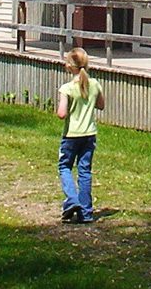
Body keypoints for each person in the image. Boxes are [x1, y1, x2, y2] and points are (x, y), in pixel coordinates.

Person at [56, 48, 105, 224]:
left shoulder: (67, 88)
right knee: (84, 171)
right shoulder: (94, 84)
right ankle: (86, 212)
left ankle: (72, 201)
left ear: (69, 66)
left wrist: (67, 108)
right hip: (89, 134)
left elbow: (62, 114)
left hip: (71, 135)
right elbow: (101, 105)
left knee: (64, 167)